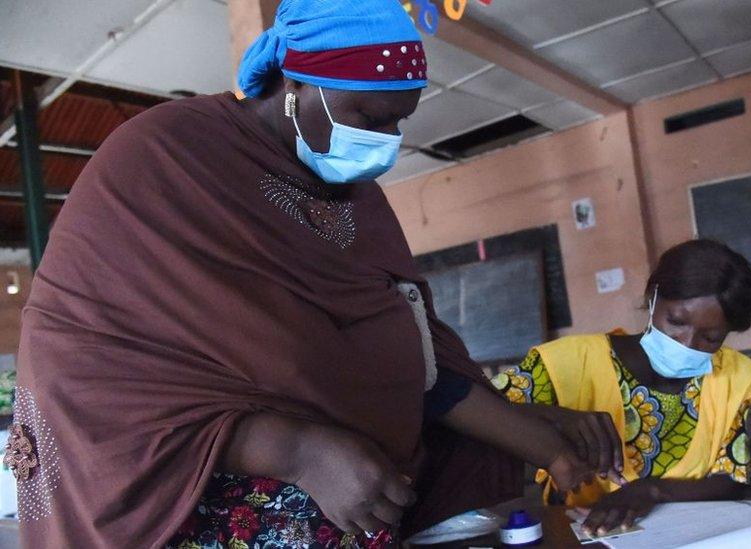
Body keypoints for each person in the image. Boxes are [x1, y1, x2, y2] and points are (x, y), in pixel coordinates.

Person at [7, 2, 603, 547]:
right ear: (295, 84)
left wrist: (547, 446)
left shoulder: (355, 199)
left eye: (398, 122)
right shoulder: (167, 156)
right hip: (188, 491)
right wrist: (297, 451)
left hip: (363, 487)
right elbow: (83, 367)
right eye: (367, 113)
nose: (383, 140)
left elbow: (416, 361)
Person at [493, 239, 751, 536]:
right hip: (587, 537)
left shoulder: (733, 378)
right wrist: (557, 418)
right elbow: (479, 412)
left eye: (711, 338)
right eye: (676, 321)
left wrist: (652, 491)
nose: (687, 343)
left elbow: (733, 480)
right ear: (653, 297)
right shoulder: (566, 363)